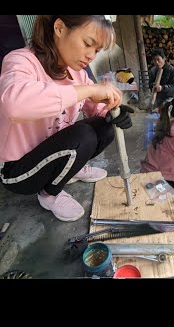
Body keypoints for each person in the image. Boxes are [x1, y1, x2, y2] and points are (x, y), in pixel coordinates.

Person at [0, 15, 134, 222]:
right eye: (88, 43)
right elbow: (15, 105)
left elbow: (96, 108)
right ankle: (49, 193)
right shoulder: (21, 61)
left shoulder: (76, 73)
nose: (91, 55)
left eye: (96, 51)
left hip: (53, 152)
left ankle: (71, 169)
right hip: (19, 171)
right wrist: (88, 89)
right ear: (60, 28)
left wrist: (114, 112)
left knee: (105, 126)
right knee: (83, 136)